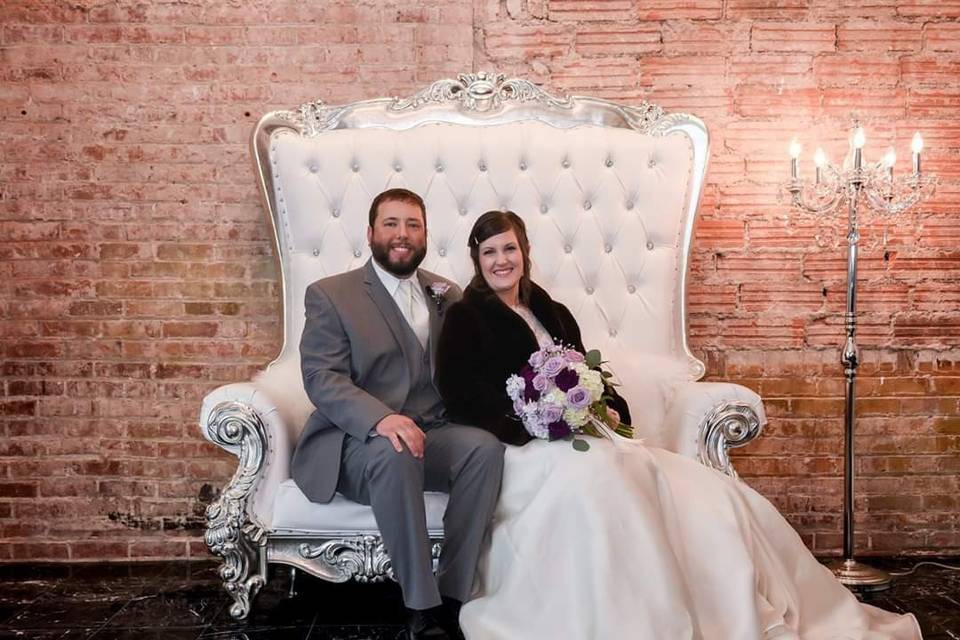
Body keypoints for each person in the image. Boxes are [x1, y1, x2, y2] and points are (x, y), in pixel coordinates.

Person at [435, 210, 921, 640]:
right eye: (489, 252)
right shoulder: (464, 317)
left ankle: (712, 601)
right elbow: (460, 397)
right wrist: (535, 422)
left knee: (695, 488)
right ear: (477, 260)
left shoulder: (553, 312)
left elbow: (585, 372)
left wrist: (602, 407)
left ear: (525, 252)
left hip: (580, 436)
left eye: (509, 249)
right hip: (522, 443)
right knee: (595, 477)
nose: (501, 260)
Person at [292, 189, 505, 640]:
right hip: (358, 443)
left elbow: (471, 366)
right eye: (391, 224)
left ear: (425, 234)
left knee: (483, 450)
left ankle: (452, 596)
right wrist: (379, 418)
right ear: (370, 233)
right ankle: (421, 607)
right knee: (396, 451)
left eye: (413, 225)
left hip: (434, 430)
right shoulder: (331, 295)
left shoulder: (447, 292)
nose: (402, 235)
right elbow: (321, 377)